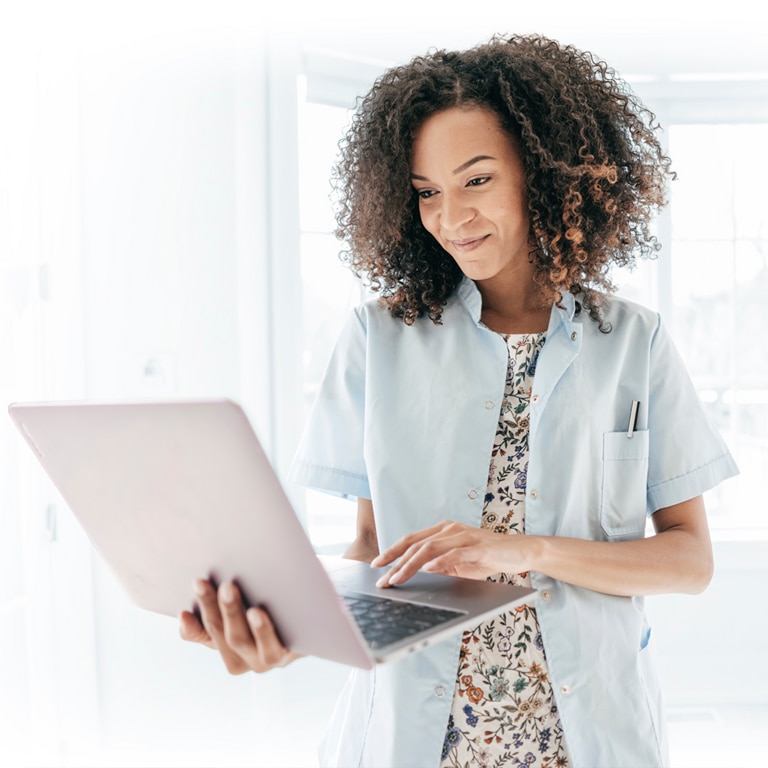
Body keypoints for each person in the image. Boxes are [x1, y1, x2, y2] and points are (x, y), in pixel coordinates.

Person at [179, 33, 738, 767]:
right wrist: (289, 631)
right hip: (419, 738)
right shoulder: (378, 338)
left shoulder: (634, 341)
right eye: (427, 192)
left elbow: (689, 561)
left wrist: (525, 552)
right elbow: (372, 553)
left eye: (476, 180)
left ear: (541, 175)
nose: (451, 217)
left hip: (587, 736)